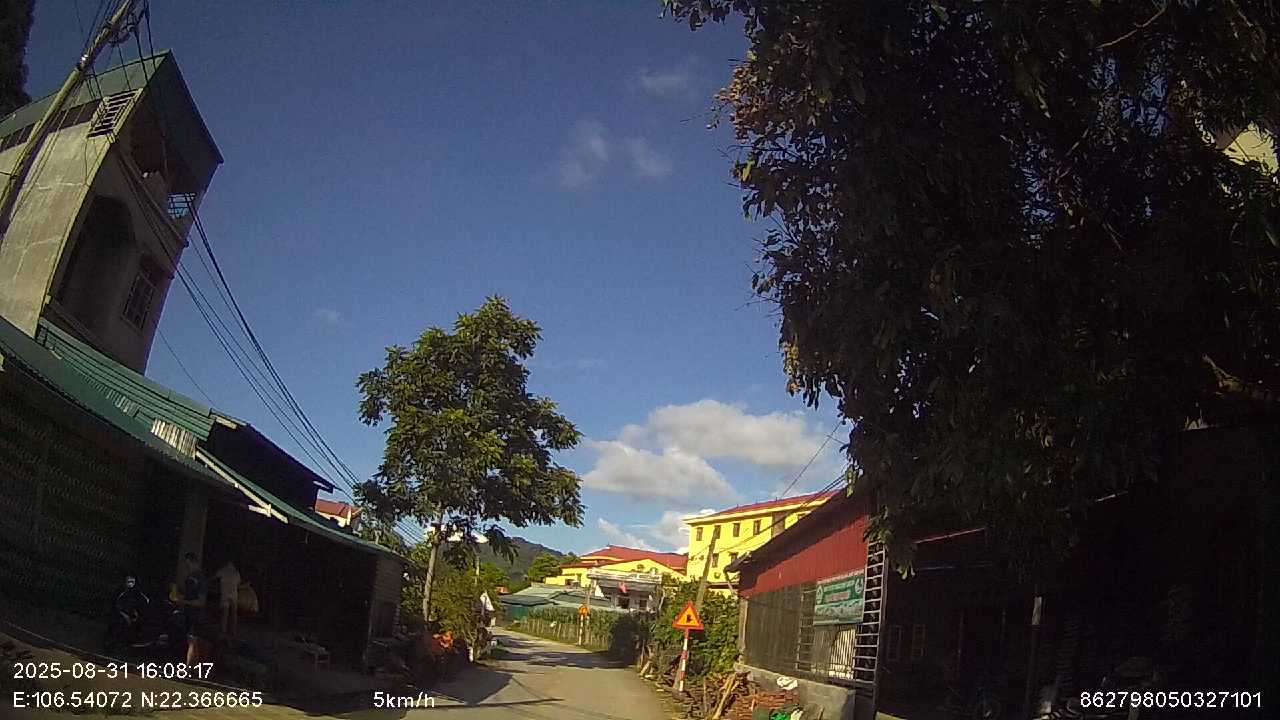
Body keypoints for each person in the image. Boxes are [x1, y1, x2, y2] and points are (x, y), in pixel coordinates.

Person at [106, 574, 149, 649]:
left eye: (132, 581)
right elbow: (116, 604)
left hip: (132, 615)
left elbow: (145, 601)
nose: (130, 583)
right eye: (128, 581)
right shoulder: (120, 591)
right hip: (119, 614)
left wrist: (136, 613)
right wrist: (124, 615)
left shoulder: (137, 592)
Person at [211, 560, 241, 638]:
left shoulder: (222, 570)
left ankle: (223, 631)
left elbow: (214, 577)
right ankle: (233, 632)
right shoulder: (236, 572)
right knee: (233, 613)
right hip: (233, 595)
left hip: (225, 594)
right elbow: (239, 583)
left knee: (225, 614)